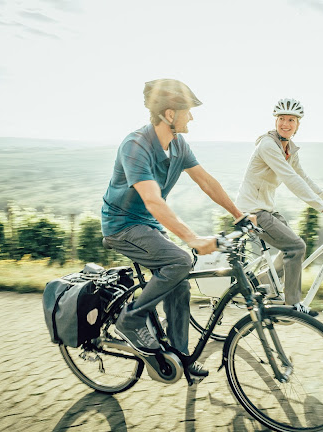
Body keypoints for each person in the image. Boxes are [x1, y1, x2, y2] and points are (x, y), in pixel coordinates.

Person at [101, 79, 250, 377]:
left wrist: (239, 215)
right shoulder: (135, 146)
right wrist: (192, 239)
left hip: (148, 226)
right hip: (122, 226)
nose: (192, 117)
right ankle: (131, 319)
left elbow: (205, 181)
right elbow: (153, 201)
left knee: (179, 277)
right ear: (170, 115)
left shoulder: (178, 145)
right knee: (181, 259)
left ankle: (180, 354)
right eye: (188, 111)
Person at [235, 98, 323, 316]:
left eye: (290, 120)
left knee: (290, 247)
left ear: (298, 124)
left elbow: (304, 178)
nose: (285, 124)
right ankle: (292, 306)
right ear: (275, 121)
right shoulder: (268, 145)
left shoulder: (288, 149)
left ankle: (260, 285)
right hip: (252, 212)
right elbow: (291, 179)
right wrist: (322, 207)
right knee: (296, 247)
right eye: (281, 119)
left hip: (265, 209)